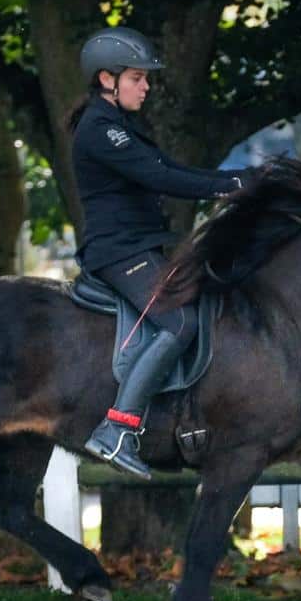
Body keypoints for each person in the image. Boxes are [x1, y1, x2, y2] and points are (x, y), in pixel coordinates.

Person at [70, 26, 244, 480]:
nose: (145, 87)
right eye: (136, 78)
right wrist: (231, 185)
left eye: (145, 79)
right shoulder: (100, 130)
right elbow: (160, 178)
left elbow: (171, 168)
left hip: (140, 246)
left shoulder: (122, 125)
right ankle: (118, 430)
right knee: (180, 319)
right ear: (107, 79)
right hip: (119, 252)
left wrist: (239, 178)